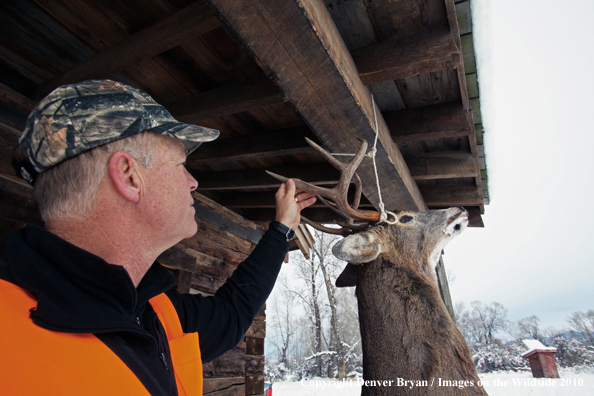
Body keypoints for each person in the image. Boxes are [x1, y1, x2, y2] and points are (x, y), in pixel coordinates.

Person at [0, 79, 316, 396]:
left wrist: (282, 228)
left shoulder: (155, 311)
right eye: (181, 164)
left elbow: (233, 313)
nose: (193, 182)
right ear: (128, 175)